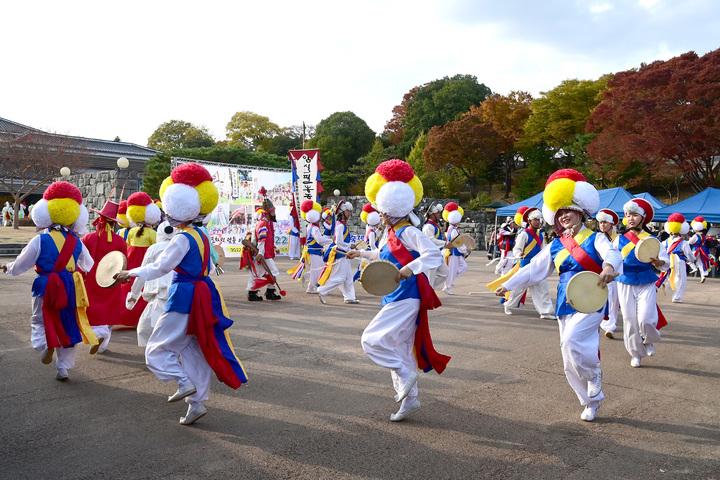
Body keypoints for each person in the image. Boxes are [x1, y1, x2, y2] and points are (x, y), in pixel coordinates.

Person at [114, 162, 247, 426]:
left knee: (156, 350)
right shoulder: (203, 236)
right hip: (204, 293)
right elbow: (209, 266)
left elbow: (160, 267)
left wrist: (131, 273)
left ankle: (184, 383)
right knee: (194, 351)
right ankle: (195, 405)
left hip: (184, 294)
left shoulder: (182, 237)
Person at [495, 169, 621, 422]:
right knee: (567, 356)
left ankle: (594, 373)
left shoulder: (596, 238)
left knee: (573, 341)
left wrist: (608, 267)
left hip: (592, 298)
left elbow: (612, 253)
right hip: (566, 300)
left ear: (581, 212)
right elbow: (534, 270)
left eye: (569, 210)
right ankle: (589, 401)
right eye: (559, 212)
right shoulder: (555, 245)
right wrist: (509, 284)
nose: (564, 215)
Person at [347, 159, 450, 422]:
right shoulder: (390, 232)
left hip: (406, 295)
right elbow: (384, 258)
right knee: (399, 346)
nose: (378, 214)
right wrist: (361, 253)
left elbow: (433, 255)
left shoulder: (408, 232)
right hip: (396, 295)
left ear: (391, 210)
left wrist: (410, 268)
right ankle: (409, 400)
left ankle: (405, 375)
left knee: (371, 340)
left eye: (381, 210)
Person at [2, 182, 99, 381]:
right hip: (69, 285)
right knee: (68, 322)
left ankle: (45, 344)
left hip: (45, 284)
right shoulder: (77, 241)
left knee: (39, 318)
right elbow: (88, 264)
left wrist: (8, 268)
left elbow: (22, 263)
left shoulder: (39, 240)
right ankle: (63, 368)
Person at [613, 198, 669, 368]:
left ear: (643, 218)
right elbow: (610, 260)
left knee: (645, 319)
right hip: (625, 282)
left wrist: (660, 263)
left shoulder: (653, 239)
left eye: (635, 215)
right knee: (630, 320)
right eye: (628, 215)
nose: (631, 218)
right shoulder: (618, 240)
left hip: (646, 281)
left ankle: (649, 340)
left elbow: (665, 261)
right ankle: (636, 354)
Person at [81, 199, 128, 354]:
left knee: (92, 311)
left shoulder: (88, 238)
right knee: (109, 311)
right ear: (114, 223)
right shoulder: (120, 241)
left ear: (100, 219)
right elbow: (123, 261)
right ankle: (103, 343)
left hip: (92, 280)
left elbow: (80, 261)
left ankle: (98, 335)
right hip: (112, 281)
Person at [127, 221, 177, 346]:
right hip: (177, 294)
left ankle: (160, 358)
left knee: (146, 330)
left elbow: (143, 273)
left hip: (159, 296)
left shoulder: (154, 249)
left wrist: (134, 293)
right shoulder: (179, 247)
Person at [503, 207, 555, 319]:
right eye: (535, 219)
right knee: (518, 289)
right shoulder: (524, 234)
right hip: (525, 264)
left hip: (537, 265)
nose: (537, 221)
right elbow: (517, 248)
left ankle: (545, 312)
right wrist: (518, 255)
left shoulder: (540, 234)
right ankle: (507, 305)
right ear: (530, 221)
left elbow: (543, 250)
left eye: (538, 219)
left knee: (543, 289)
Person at [121, 192, 162, 326]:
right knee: (144, 284)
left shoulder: (131, 231)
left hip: (131, 259)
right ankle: (139, 317)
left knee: (129, 285)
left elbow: (127, 246)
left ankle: (124, 313)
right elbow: (156, 249)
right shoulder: (152, 233)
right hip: (145, 260)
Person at [317, 201, 359, 304]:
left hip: (344, 253)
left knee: (348, 277)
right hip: (341, 254)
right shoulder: (340, 226)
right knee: (340, 278)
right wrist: (350, 246)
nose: (349, 213)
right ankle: (322, 290)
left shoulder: (343, 225)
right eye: (347, 211)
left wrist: (350, 247)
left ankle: (350, 297)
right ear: (342, 213)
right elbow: (339, 242)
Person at [245, 190, 282, 301]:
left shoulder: (267, 222)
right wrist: (260, 253)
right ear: (267, 212)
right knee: (273, 272)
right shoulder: (263, 223)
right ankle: (269, 292)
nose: (274, 214)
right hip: (263, 254)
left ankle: (253, 293)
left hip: (264, 253)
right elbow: (261, 240)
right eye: (273, 212)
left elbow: (269, 239)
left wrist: (275, 247)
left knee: (257, 274)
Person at [291, 200, 332, 294]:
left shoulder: (312, 226)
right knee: (317, 270)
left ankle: (306, 277)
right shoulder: (314, 227)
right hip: (314, 251)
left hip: (314, 251)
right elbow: (320, 240)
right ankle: (310, 287)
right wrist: (333, 241)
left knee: (319, 269)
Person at [658, 214, 696, 304]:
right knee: (681, 279)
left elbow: (661, 250)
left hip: (668, 259)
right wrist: (692, 259)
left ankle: (666, 285)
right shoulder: (683, 242)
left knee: (671, 276)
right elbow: (689, 253)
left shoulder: (666, 241)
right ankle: (677, 297)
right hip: (679, 260)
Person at [596, 208, 621, 339]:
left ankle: (610, 325)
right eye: (600, 222)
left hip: (614, 274)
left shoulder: (619, 239)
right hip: (598, 271)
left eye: (605, 222)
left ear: (612, 224)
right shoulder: (597, 238)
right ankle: (601, 321)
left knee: (613, 299)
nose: (602, 225)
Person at [421, 203, 450, 289]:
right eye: (437, 213)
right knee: (430, 278)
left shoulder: (433, 225)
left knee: (445, 273)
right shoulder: (428, 227)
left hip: (437, 254)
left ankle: (429, 290)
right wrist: (445, 243)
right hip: (430, 256)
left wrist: (445, 245)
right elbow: (430, 241)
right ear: (432, 215)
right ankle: (428, 292)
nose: (439, 214)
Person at [441, 202, 468, 295]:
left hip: (455, 252)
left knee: (463, 266)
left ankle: (450, 279)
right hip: (453, 252)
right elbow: (458, 243)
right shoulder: (453, 230)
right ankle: (447, 286)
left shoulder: (451, 228)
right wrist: (465, 250)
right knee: (452, 270)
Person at [353, 203, 382, 281]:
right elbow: (372, 244)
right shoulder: (372, 232)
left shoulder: (369, 228)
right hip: (370, 252)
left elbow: (375, 236)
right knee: (362, 271)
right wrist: (377, 252)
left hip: (367, 250)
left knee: (361, 270)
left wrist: (378, 231)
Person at [688, 216, 716, 283]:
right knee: (700, 263)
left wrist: (688, 239)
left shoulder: (695, 236)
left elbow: (690, 242)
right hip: (703, 250)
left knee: (688, 259)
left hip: (696, 249)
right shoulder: (703, 235)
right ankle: (703, 275)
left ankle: (694, 268)